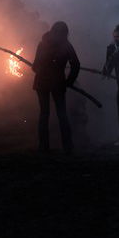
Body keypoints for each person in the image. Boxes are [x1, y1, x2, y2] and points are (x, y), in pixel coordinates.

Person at [32, 21, 81, 154]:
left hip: (43, 83)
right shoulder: (66, 45)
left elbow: (35, 66)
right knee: (61, 114)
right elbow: (76, 65)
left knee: (44, 114)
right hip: (56, 83)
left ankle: (44, 147)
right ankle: (67, 146)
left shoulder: (43, 43)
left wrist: (40, 69)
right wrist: (69, 81)